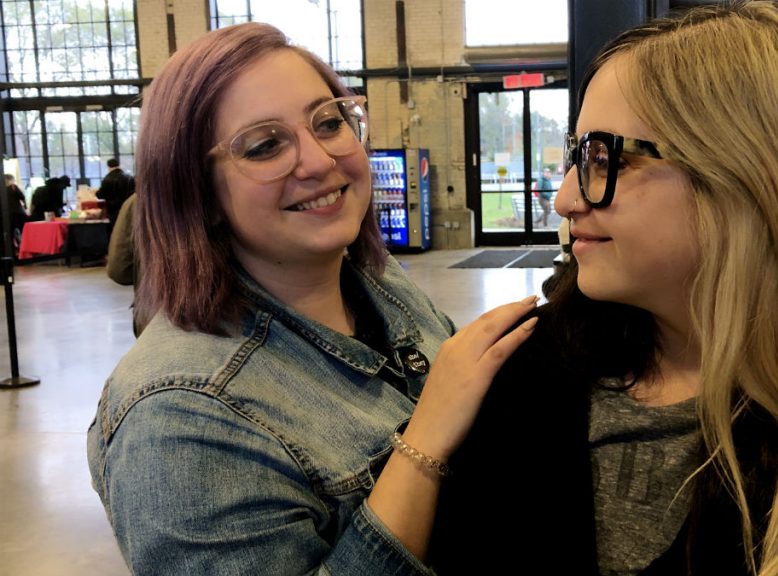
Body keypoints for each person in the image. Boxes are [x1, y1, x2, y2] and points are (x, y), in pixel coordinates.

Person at [430, 3, 778, 575]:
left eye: (605, 159)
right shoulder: (521, 377)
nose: (566, 200)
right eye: (577, 155)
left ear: (747, 178)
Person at [86, 22, 537, 575]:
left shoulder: (378, 280)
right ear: (195, 190)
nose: (321, 161)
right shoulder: (180, 420)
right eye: (265, 145)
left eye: (328, 122)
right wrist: (424, 444)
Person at [105, 193, 145, 336]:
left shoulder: (139, 201)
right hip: (211, 320)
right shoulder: (213, 192)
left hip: (153, 313)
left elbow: (119, 270)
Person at [96, 157, 134, 230]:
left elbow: (100, 195)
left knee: (114, 231)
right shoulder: (129, 177)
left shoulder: (107, 179)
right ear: (118, 165)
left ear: (108, 166)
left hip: (113, 211)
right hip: (128, 208)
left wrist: (96, 192)